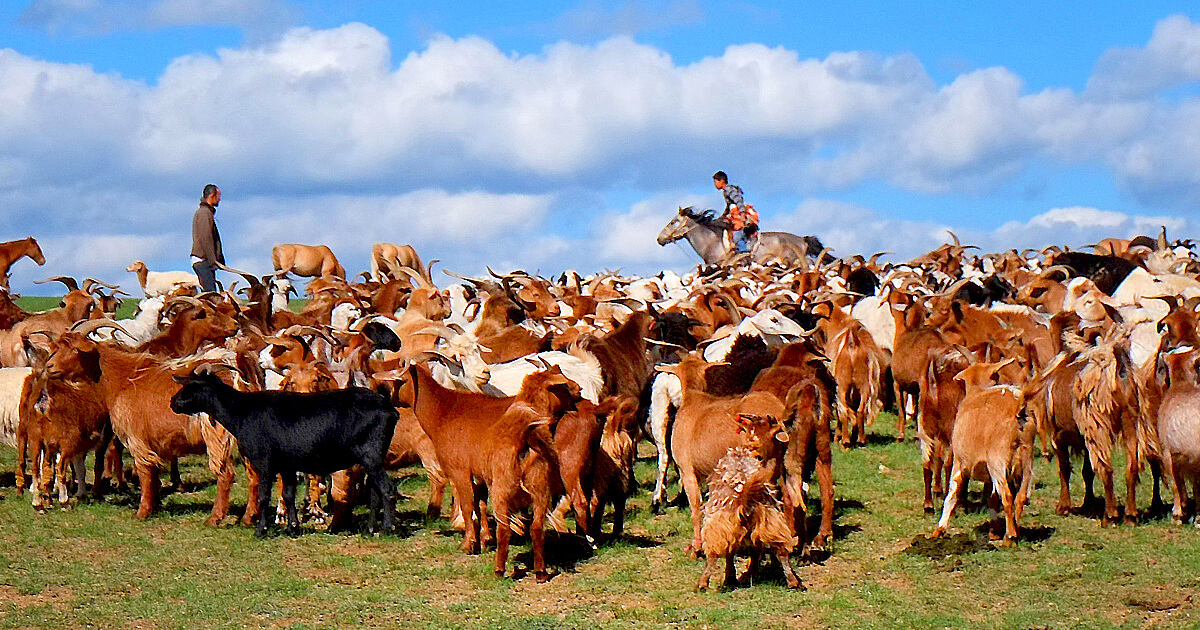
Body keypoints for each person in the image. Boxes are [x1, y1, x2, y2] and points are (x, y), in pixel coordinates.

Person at [712, 171, 758, 253]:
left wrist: (742, 213)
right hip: (735, 214)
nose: (715, 184)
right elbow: (728, 207)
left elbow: (738, 200)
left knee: (738, 235)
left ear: (722, 180)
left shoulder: (729, 189)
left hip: (738, 216)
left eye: (716, 182)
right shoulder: (726, 191)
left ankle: (743, 254)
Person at [191, 184, 224, 293]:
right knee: (211, 296)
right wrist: (213, 261)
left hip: (205, 261)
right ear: (213, 195)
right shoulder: (204, 213)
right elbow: (206, 238)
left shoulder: (206, 212)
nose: (220, 199)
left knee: (210, 294)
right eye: (219, 195)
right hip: (203, 261)